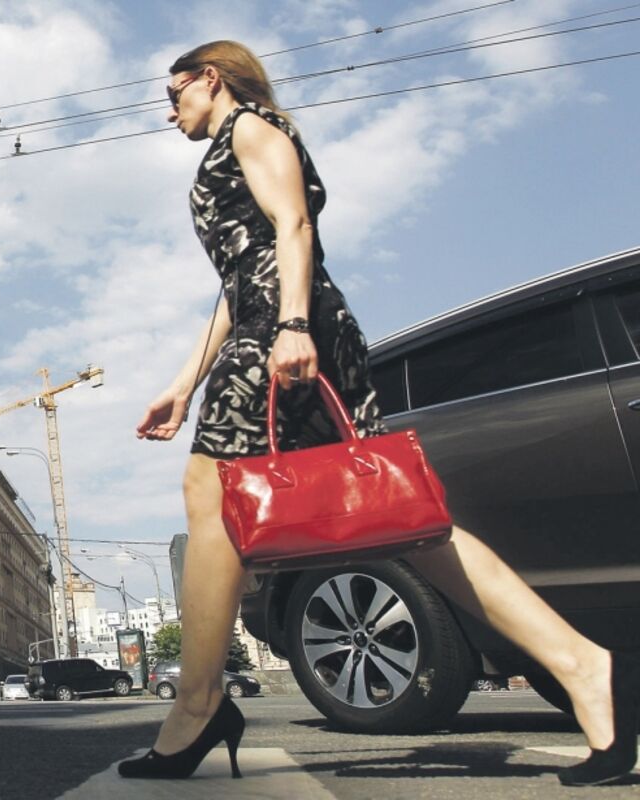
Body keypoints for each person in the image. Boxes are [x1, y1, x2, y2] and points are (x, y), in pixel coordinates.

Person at [120, 39, 638, 787]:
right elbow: (240, 280)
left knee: (211, 488)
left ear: (210, 79)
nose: (170, 113)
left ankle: (198, 705)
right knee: (404, 520)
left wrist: (294, 325)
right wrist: (184, 381)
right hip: (270, 321)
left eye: (174, 96)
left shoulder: (252, 128)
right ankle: (585, 665)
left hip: (288, 328)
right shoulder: (229, 148)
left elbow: (296, 228)